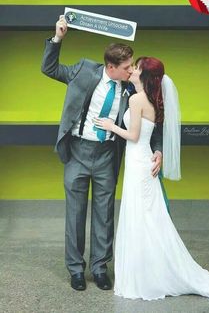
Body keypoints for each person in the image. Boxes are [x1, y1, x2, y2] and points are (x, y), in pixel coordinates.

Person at [94, 57, 209, 300]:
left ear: (145, 76)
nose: (132, 70)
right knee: (148, 217)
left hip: (139, 165)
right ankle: (152, 271)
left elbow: (134, 134)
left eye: (136, 68)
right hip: (143, 162)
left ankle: (144, 277)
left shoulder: (137, 99)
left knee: (141, 217)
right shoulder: (151, 99)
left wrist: (110, 126)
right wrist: (157, 151)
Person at [41, 16, 164, 291]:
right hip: (78, 151)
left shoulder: (133, 86)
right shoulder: (84, 70)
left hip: (108, 153)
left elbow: (150, 119)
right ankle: (75, 269)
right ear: (111, 67)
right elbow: (49, 68)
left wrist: (158, 149)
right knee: (75, 213)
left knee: (104, 213)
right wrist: (58, 38)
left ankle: (99, 268)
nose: (132, 70)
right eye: (126, 66)